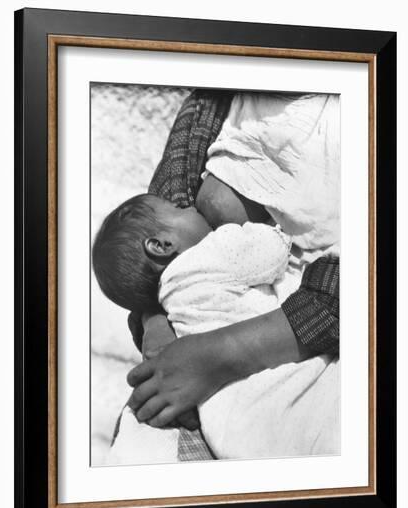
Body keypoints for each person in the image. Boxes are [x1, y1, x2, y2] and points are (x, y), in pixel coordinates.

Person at [123, 89, 340, 461]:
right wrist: (156, 324)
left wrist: (220, 354)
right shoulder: (213, 100)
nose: (184, 207)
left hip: (318, 342)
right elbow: (163, 211)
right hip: (210, 381)